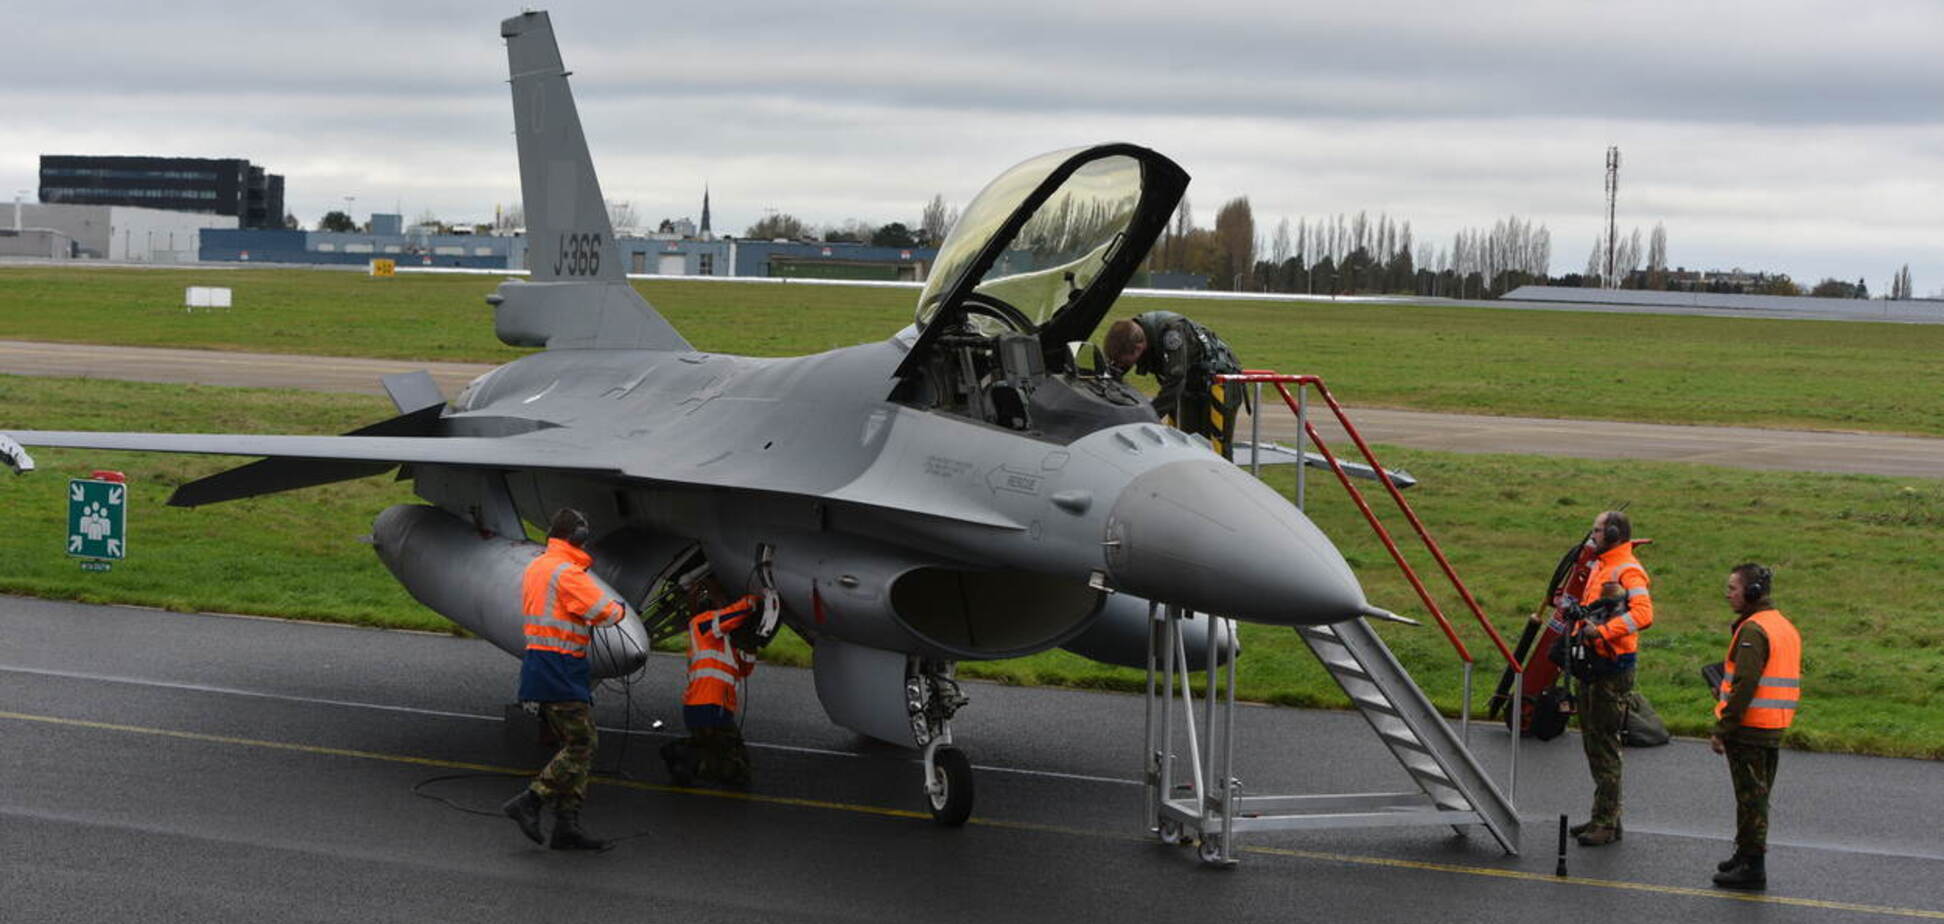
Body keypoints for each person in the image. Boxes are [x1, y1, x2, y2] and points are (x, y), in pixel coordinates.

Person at [501, 508, 631, 852]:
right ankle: (531, 801)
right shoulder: (567, 572)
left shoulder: (540, 565)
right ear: (577, 537)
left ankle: (566, 826)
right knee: (581, 744)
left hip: (547, 666)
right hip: (558, 667)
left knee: (576, 747)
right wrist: (619, 607)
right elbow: (607, 612)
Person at [1710, 563, 1801, 891]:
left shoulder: (1753, 630)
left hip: (1751, 727)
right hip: (1773, 724)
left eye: (1733, 588)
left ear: (1752, 593)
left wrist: (1724, 726)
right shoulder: (1782, 625)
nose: (1728, 594)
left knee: (1751, 798)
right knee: (1754, 795)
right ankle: (1745, 853)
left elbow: (1746, 682)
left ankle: (1752, 866)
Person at [1567, 509, 1653, 847]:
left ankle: (1606, 822)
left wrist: (1602, 633)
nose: (1592, 536)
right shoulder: (1602, 565)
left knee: (1604, 746)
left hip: (1611, 667)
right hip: (1593, 663)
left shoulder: (1628, 569)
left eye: (1597, 531)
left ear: (1614, 534)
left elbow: (1644, 615)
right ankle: (1604, 816)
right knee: (1594, 742)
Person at [1103, 311, 1246, 458]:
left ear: (1139, 348)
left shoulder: (1171, 333)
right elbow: (1117, 369)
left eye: (1126, 362)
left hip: (1222, 382)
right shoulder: (1130, 335)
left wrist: (1148, 416)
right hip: (1195, 383)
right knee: (1192, 441)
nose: (1123, 366)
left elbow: (1175, 381)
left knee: (1218, 447)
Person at [662, 585, 764, 787]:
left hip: (713, 708)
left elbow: (743, 670)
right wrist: (755, 599)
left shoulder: (721, 640)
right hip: (708, 706)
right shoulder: (703, 623)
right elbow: (736, 612)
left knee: (723, 756)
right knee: (735, 771)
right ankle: (684, 759)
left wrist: (750, 646)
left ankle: (684, 757)